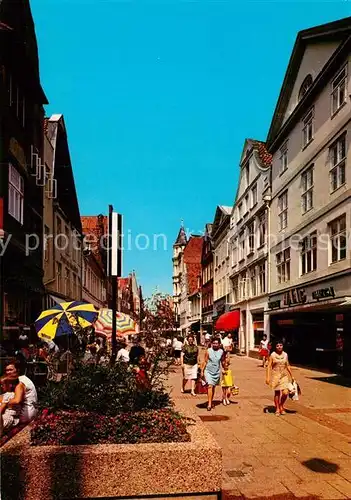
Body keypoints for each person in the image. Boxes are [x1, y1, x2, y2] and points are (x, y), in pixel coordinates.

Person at [266, 341, 293, 416]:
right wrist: (267, 377)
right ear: (275, 347)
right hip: (275, 376)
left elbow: (287, 365)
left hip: (284, 376)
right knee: (277, 393)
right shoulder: (273, 355)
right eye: (277, 346)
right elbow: (268, 366)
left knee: (285, 392)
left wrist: (292, 375)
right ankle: (277, 408)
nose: (279, 347)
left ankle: (281, 405)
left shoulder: (285, 354)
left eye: (281, 345)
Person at [202, 338, 226, 411]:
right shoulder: (208, 351)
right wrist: (202, 371)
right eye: (214, 343)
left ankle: (211, 401)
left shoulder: (221, 351)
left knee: (213, 387)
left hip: (216, 372)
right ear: (212, 343)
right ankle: (209, 404)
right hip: (208, 371)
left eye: (217, 343)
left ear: (219, 344)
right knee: (210, 386)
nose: (215, 345)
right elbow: (205, 361)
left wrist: (224, 369)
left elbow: (222, 361)